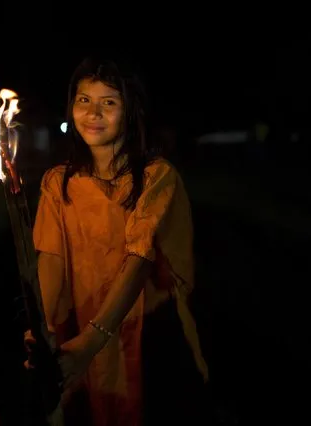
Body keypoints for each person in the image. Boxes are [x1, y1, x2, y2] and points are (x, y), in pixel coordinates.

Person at [27, 57, 211, 425]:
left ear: (131, 110)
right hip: (80, 320)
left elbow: (138, 259)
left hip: (145, 328)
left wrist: (93, 342)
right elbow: (51, 256)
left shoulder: (157, 178)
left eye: (108, 102)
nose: (93, 113)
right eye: (83, 100)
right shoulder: (57, 182)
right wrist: (44, 324)